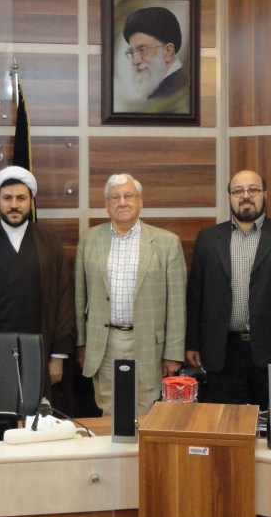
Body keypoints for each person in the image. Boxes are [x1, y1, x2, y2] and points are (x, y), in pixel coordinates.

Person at [185, 170, 271, 411]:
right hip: (223, 352)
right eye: (238, 191)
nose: (245, 196)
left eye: (253, 190)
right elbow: (196, 296)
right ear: (230, 197)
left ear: (265, 195)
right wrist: (193, 343)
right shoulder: (208, 239)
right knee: (227, 422)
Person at [0, 166, 75, 405]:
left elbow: (64, 300)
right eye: (7, 198)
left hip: (39, 352)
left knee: (36, 414)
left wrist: (57, 356)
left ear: (31, 201)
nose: (14, 205)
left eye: (21, 198)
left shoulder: (50, 244)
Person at [75, 173, 187, 415]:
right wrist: (81, 342)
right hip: (105, 342)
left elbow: (177, 305)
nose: (122, 202)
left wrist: (173, 353)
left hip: (148, 343)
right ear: (106, 205)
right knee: (110, 410)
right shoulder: (89, 239)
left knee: (146, 410)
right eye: (115, 197)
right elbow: (79, 296)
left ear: (140, 201)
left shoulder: (167, 242)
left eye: (128, 196)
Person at [119, 6, 189, 114]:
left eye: (142, 50)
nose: (135, 61)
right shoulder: (158, 91)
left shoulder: (173, 94)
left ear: (168, 51)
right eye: (132, 53)